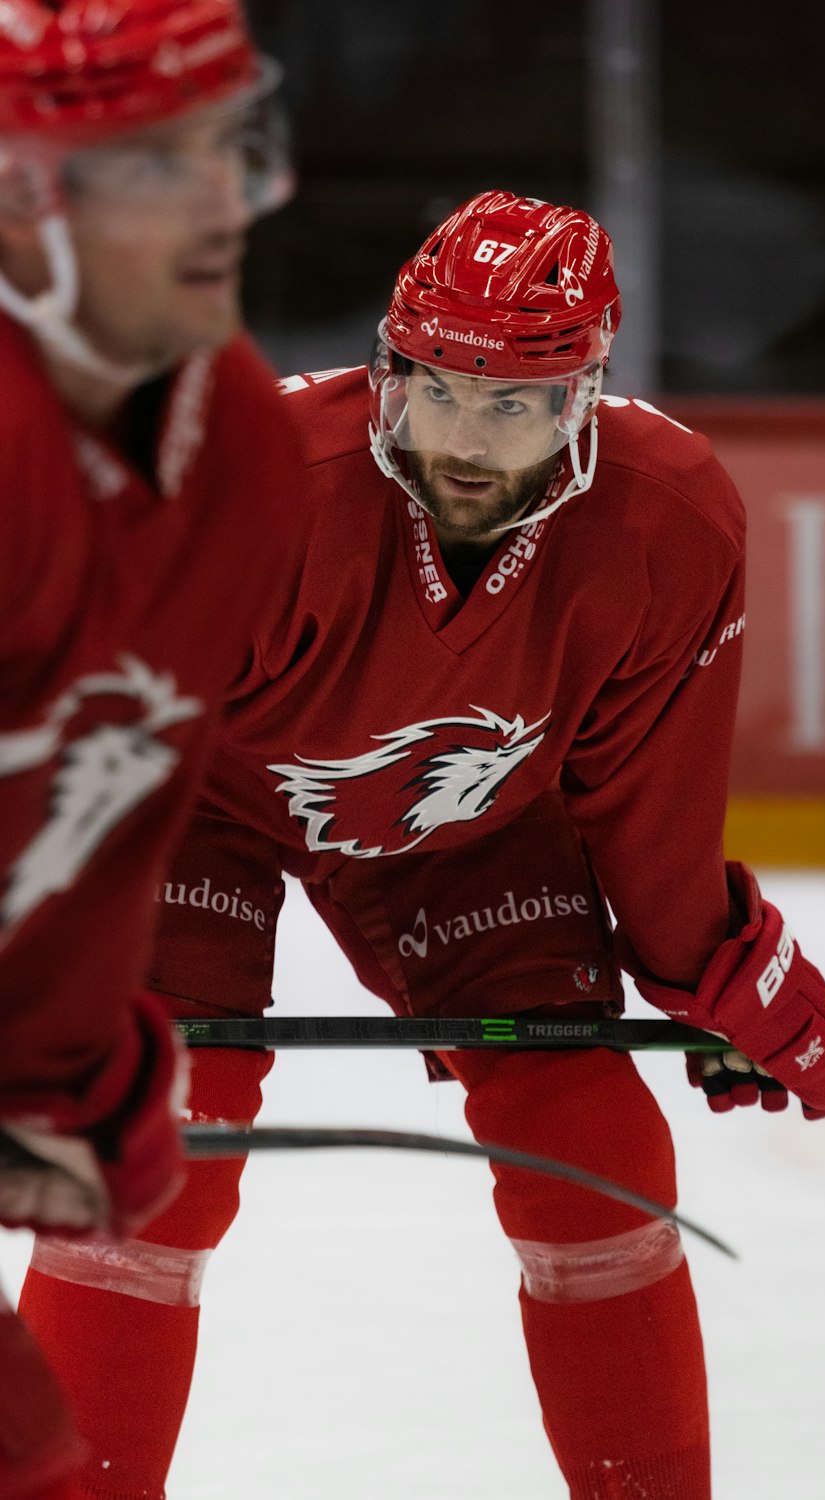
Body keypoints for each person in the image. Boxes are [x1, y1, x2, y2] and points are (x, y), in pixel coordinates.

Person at [19, 190, 825, 1500]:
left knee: (594, 1150)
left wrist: (717, 967)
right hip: (188, 800)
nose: (469, 437)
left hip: (461, 822)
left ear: (586, 394)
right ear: (388, 365)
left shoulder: (669, 522)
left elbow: (646, 800)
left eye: (518, 401)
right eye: (441, 388)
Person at [0, 3, 312, 1496]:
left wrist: (68, 1065)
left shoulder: (238, 445)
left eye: (224, 144)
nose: (217, 203)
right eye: (148, 163)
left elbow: (99, 818)